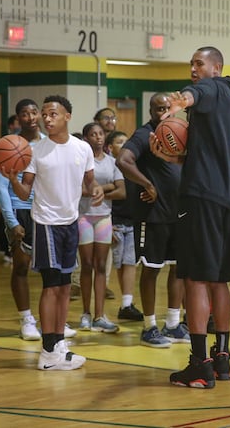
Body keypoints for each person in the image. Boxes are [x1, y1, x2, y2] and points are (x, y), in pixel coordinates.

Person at [158, 47, 230, 389]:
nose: (193, 68)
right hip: (224, 199)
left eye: (198, 63)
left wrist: (179, 105)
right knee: (218, 279)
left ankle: (198, 364)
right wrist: (176, 155)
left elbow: (198, 91)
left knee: (193, 279)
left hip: (201, 198)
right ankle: (221, 357)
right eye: (191, 63)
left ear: (216, 67)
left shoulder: (213, 88)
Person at [3, 95, 104, 371]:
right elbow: (25, 192)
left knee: (63, 287)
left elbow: (90, 181)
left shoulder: (82, 148)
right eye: (44, 114)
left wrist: (95, 188)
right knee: (50, 286)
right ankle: (47, 352)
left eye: (52, 114)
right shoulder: (35, 151)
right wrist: (12, 178)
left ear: (67, 117)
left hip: (71, 222)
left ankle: (59, 343)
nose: (46, 119)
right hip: (46, 223)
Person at [116, 92, 188, 348]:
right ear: (150, 111)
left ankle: (172, 324)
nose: (163, 113)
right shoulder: (143, 135)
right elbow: (123, 160)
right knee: (152, 269)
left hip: (178, 213)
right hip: (152, 215)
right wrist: (147, 185)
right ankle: (149, 327)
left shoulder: (181, 132)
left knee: (178, 268)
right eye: (158, 109)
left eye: (167, 108)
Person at [0, 99, 45, 341]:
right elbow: (1, 187)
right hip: (20, 209)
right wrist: (11, 221)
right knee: (22, 267)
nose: (31, 117)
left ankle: (52, 320)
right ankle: (26, 319)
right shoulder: (8, 145)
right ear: (18, 118)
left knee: (51, 270)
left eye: (34, 112)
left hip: (46, 211)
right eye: (25, 113)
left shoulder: (49, 144)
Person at [77, 122, 125, 333]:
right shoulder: (80, 162)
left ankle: (99, 315)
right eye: (93, 134)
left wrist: (99, 190)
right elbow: (78, 188)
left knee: (101, 265)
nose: (98, 137)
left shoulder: (112, 162)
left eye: (101, 134)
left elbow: (121, 190)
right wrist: (104, 188)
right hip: (84, 217)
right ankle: (85, 313)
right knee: (86, 264)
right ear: (86, 138)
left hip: (104, 217)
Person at [105, 130, 144, 322]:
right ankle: (122, 304)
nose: (124, 144)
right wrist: (109, 223)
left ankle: (127, 304)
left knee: (130, 262)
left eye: (126, 141)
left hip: (132, 220)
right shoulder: (109, 167)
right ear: (110, 148)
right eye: (119, 142)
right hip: (115, 222)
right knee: (119, 264)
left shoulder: (134, 167)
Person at [93, 106, 119, 299]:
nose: (110, 121)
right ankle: (76, 282)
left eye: (113, 117)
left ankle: (105, 284)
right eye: (106, 118)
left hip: (107, 211)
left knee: (105, 252)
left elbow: (121, 188)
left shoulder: (115, 154)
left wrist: (104, 191)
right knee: (84, 254)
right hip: (85, 211)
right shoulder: (86, 152)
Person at [0, 114, 22, 264]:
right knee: (4, 219)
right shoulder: (6, 145)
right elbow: (1, 187)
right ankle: (5, 248)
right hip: (15, 204)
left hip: (36, 207)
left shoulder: (43, 142)